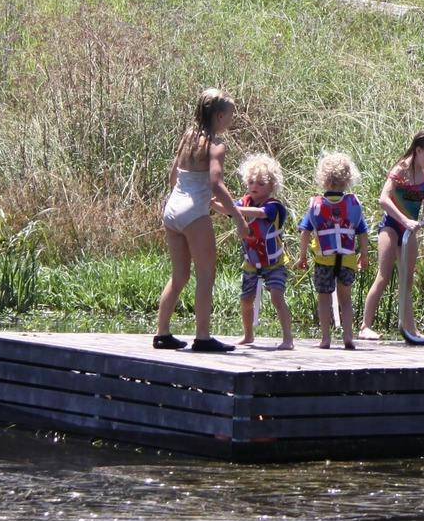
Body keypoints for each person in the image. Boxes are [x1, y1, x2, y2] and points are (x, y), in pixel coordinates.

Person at [154, 88, 246, 353]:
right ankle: (203, 337)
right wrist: (237, 217)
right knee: (206, 276)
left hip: (173, 208)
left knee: (179, 275)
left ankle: (162, 334)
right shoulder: (216, 145)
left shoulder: (188, 136)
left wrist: (193, 196)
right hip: (194, 213)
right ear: (218, 116)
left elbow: (174, 176)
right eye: (230, 114)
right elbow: (216, 183)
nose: (232, 119)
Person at [360, 129, 424, 341]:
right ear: (418, 150)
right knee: (384, 275)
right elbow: (383, 199)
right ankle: (365, 326)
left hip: (409, 232)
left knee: (407, 279)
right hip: (391, 227)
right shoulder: (401, 169)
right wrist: (404, 220)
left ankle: (410, 328)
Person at [295, 151, 369, 350]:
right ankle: (348, 337)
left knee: (324, 298)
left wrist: (302, 256)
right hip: (347, 260)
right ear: (348, 180)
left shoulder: (316, 206)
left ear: (323, 179)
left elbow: (305, 232)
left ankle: (325, 338)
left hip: (324, 260)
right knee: (346, 299)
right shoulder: (353, 204)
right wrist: (364, 255)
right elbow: (362, 232)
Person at [234, 153, 295, 350]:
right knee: (246, 300)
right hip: (251, 262)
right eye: (251, 182)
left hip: (274, 263)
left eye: (260, 183)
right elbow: (226, 208)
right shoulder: (242, 203)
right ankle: (248, 335)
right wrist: (213, 203)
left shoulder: (274, 207)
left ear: (271, 186)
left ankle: (288, 339)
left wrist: (233, 210)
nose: (254, 186)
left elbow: (260, 214)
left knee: (277, 296)